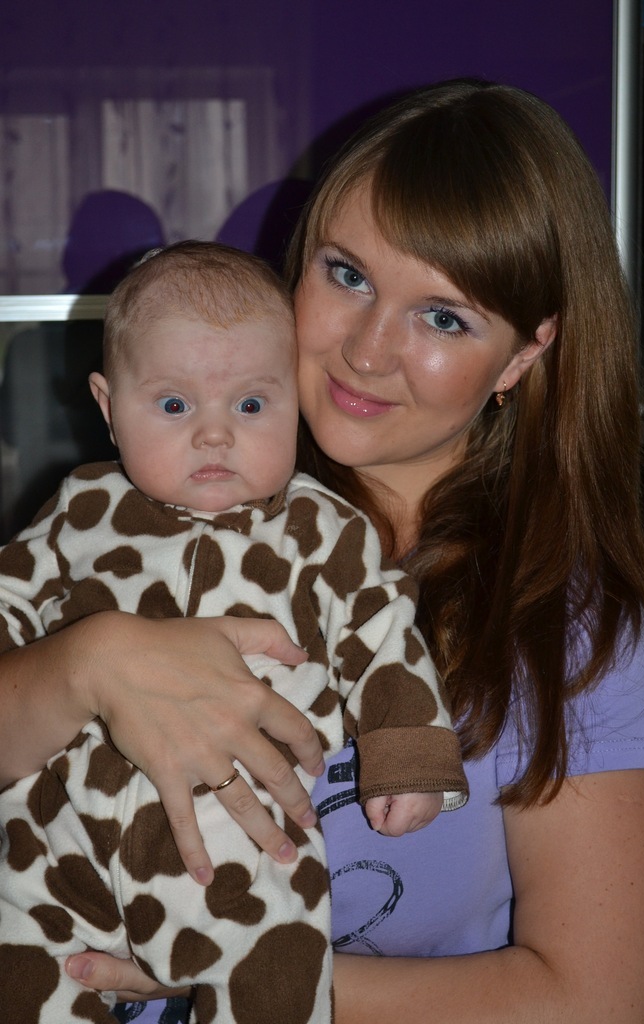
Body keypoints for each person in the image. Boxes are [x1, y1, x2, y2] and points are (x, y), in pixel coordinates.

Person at [0, 78, 644, 1024]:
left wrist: (240, 970)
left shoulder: (565, 627)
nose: (366, 348)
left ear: (523, 356)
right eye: (347, 275)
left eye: (442, 316)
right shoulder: (149, 503)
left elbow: (600, 1000)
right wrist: (90, 664)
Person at [0, 241, 466, 1024]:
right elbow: (8, 595)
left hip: (242, 846)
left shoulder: (319, 529)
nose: (214, 435)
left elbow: (381, 629)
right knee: (18, 969)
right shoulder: (79, 511)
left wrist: (409, 754)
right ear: (108, 408)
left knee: (273, 970)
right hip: (57, 833)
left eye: (250, 406)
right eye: (174, 406)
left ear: (294, 403)